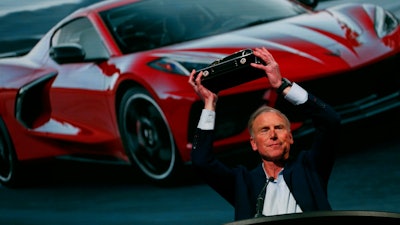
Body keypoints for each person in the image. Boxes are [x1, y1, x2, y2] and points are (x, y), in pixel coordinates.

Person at [188, 47, 341, 221]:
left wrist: (282, 86)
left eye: (279, 128)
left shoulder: (310, 167)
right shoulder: (243, 183)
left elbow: (330, 120)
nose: (273, 135)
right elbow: (201, 161)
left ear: (290, 137)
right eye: (264, 130)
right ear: (253, 143)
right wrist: (209, 105)